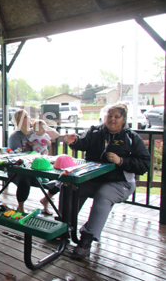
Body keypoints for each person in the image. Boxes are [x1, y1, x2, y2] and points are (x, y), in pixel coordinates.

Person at [64, 104, 150, 260]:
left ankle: (86, 239)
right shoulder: (95, 132)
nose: (112, 119)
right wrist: (74, 141)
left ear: (123, 119)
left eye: (117, 116)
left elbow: (144, 164)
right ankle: (64, 226)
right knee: (70, 186)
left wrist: (122, 161)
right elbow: (82, 141)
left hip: (120, 182)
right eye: (110, 115)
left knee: (103, 195)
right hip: (92, 178)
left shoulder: (132, 138)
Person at [8, 110, 59, 213]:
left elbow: (56, 135)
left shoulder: (35, 131)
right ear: (18, 122)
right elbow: (16, 155)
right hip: (20, 169)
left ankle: (46, 199)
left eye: (28, 116)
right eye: (25, 117)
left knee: (60, 179)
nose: (29, 118)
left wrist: (42, 125)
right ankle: (21, 208)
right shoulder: (15, 136)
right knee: (24, 180)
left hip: (38, 166)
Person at [29, 119, 60, 215]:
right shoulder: (33, 136)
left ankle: (45, 178)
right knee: (38, 168)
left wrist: (47, 142)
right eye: (41, 128)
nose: (43, 130)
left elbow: (50, 142)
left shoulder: (46, 135)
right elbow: (29, 143)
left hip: (44, 155)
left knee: (46, 168)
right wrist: (32, 143)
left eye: (44, 128)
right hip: (35, 156)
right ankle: (39, 177)